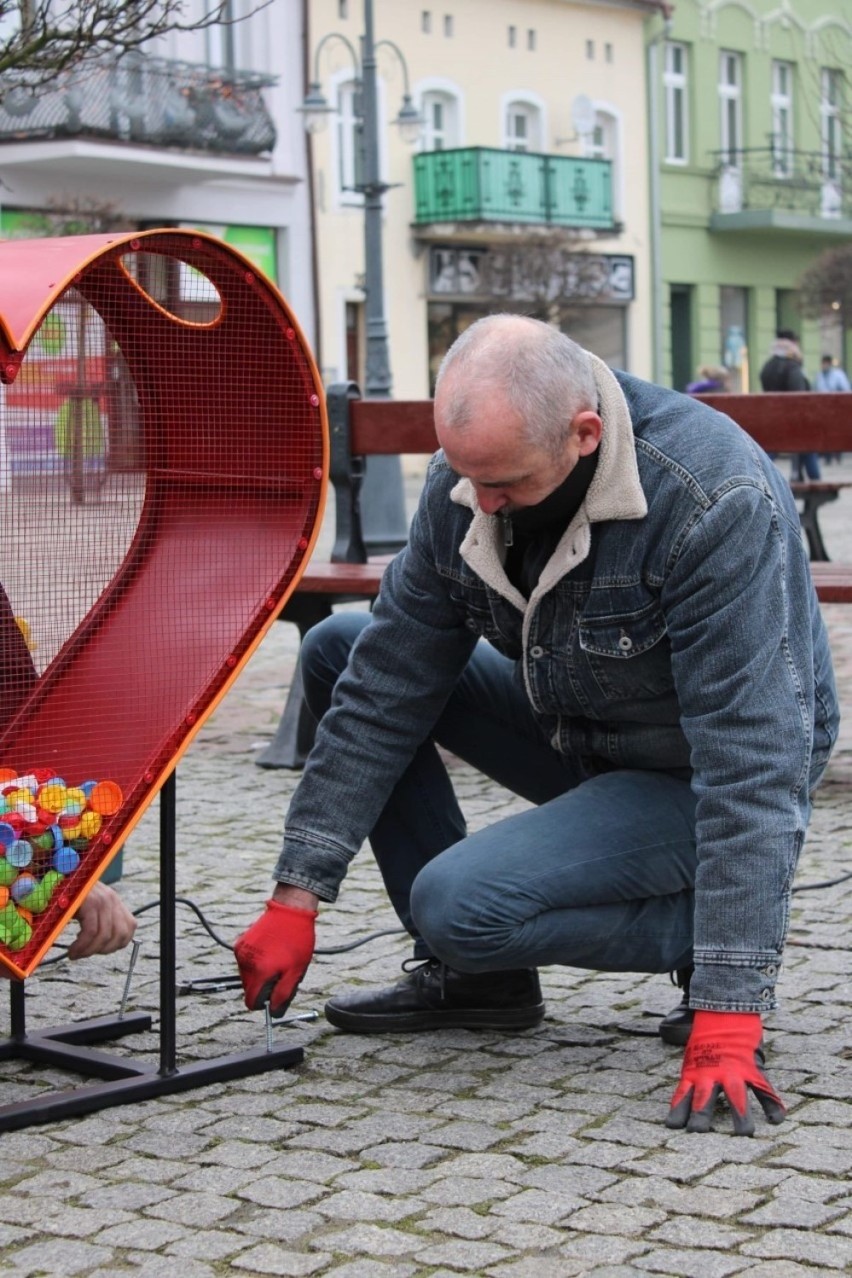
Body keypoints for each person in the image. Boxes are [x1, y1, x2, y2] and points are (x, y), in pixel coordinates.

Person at [235, 315, 839, 1137]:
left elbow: (750, 761)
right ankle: (480, 986)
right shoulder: (472, 476)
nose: (479, 503)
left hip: (697, 773)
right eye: (465, 476)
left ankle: (707, 928)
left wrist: (730, 1007)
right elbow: (386, 685)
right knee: (344, 648)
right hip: (582, 722)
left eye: (505, 486)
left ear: (583, 434)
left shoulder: (709, 498)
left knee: (457, 905)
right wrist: (296, 893)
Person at [759, 330, 818, 481]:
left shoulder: (768, 366)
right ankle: (815, 478)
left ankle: (761, 472)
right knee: (807, 441)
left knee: (772, 445)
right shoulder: (793, 367)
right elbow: (799, 397)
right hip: (793, 421)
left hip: (773, 420)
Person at [816, 356, 850, 465]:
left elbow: (846, 390)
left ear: (829, 364)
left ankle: (837, 453)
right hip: (823, 408)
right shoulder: (819, 375)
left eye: (826, 363)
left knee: (836, 431)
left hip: (836, 408)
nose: (824, 365)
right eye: (823, 363)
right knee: (825, 432)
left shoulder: (838, 375)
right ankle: (828, 456)